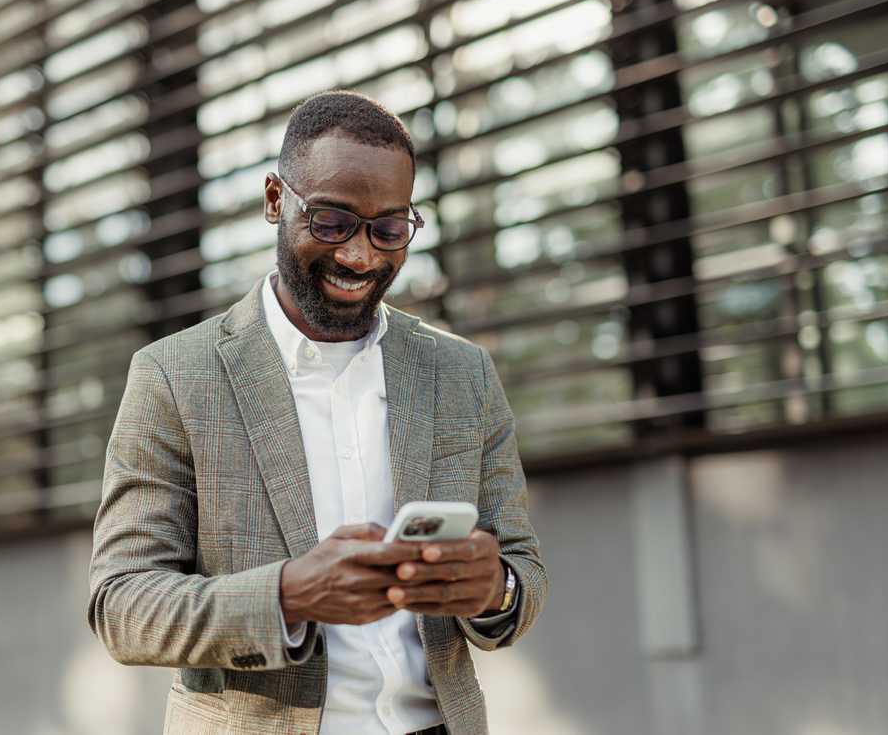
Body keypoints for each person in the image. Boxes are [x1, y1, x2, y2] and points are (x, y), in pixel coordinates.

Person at [88, 90, 546, 735]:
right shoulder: (174, 375)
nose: (361, 256)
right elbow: (122, 605)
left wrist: (492, 589)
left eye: (389, 229)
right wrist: (288, 595)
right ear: (277, 199)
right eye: (332, 222)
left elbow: (521, 569)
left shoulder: (460, 373)